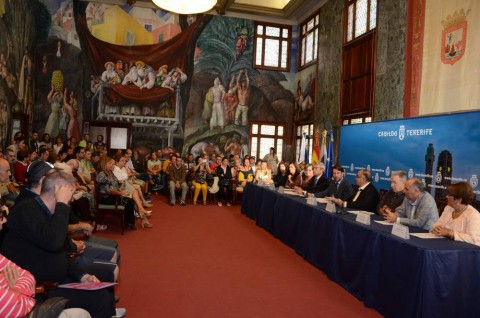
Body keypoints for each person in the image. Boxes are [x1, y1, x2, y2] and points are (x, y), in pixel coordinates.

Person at [1, 170, 120, 317]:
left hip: (58, 276)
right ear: (57, 192)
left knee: (103, 280)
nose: (70, 201)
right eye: (69, 196)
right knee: (98, 297)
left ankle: (109, 312)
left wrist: (82, 276)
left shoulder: (50, 213)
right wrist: (62, 204)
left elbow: (61, 253)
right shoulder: (26, 210)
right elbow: (53, 242)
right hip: (41, 286)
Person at [96, 156, 137, 230]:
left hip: (112, 196)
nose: (112, 165)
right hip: (105, 198)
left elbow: (115, 187)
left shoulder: (110, 173)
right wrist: (121, 193)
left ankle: (129, 222)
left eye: (113, 163)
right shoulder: (102, 174)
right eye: (110, 163)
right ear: (104, 164)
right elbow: (110, 190)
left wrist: (121, 191)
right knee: (128, 201)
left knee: (130, 200)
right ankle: (128, 223)